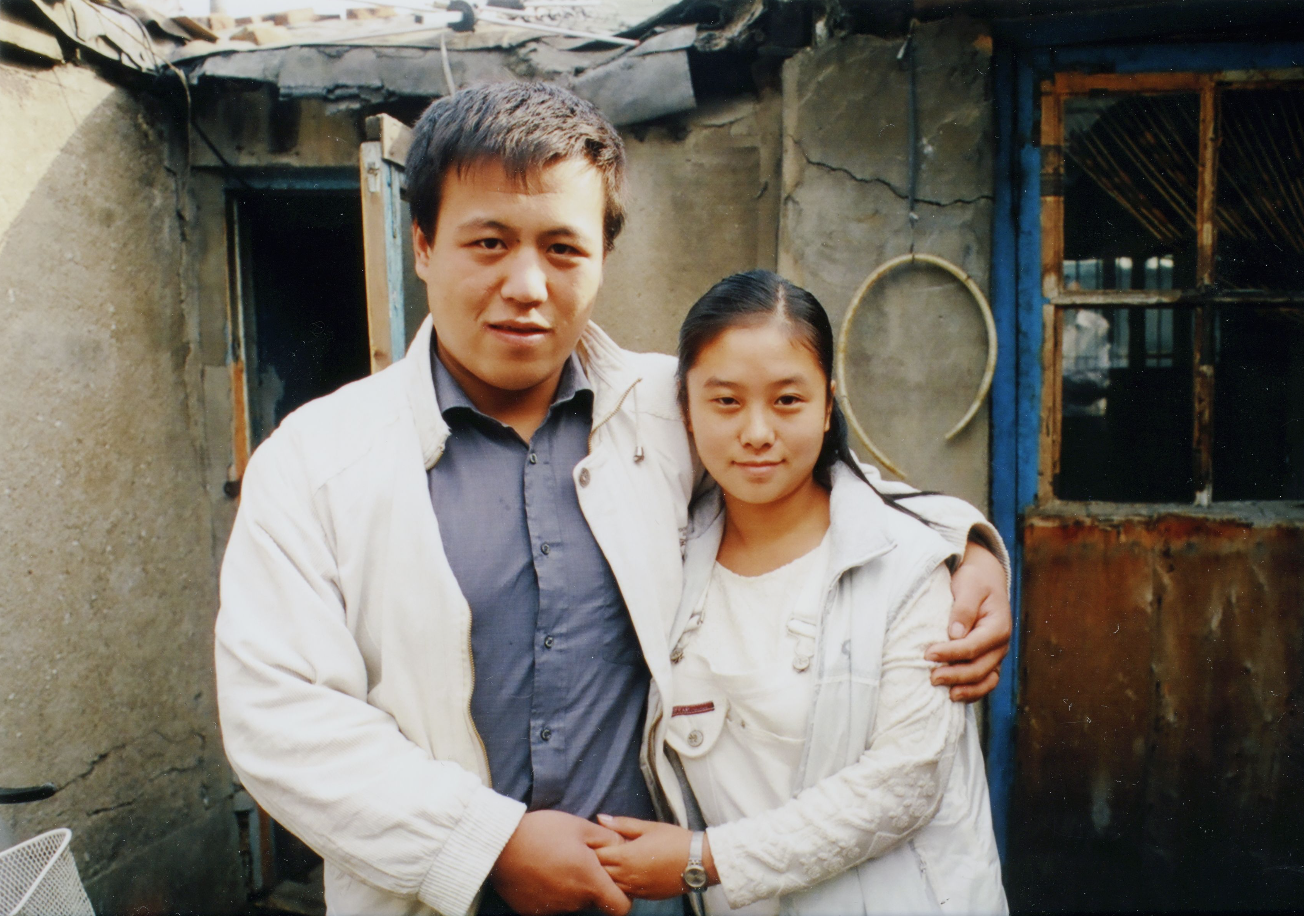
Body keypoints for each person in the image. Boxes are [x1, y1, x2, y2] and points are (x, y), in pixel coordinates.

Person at [214, 82, 1011, 916]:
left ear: (602, 255)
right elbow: (282, 718)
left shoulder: (668, 408)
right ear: (421, 244)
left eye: (563, 248)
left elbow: (820, 472)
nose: (527, 283)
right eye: (488, 242)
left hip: (656, 899)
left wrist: (967, 546)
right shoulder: (317, 461)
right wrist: (488, 845)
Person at [591, 271, 1008, 915]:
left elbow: (904, 784)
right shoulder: (666, 562)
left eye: (787, 400)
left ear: (828, 405)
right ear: (685, 411)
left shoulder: (908, 568)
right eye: (725, 402)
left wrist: (704, 861)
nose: (757, 432)